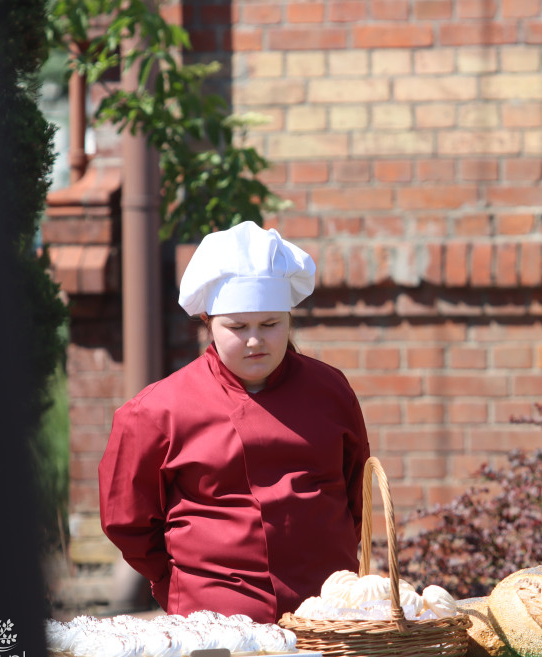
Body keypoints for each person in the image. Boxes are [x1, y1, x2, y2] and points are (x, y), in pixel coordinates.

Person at [99, 221, 371, 623]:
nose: (255, 341)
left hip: (329, 614)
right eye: (237, 327)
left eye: (270, 324)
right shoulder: (158, 410)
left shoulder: (330, 390)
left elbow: (356, 492)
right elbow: (128, 521)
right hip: (214, 620)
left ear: (289, 317)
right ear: (208, 322)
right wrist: (174, 582)